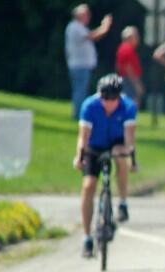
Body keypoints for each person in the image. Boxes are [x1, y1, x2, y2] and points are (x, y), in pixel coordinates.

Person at [73, 74, 137, 258]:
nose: (109, 103)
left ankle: (123, 203)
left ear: (119, 96)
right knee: (88, 186)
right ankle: (87, 238)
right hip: (95, 145)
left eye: (113, 99)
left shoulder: (128, 107)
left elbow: (129, 138)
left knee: (120, 160)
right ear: (99, 95)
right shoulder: (89, 106)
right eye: (105, 98)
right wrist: (79, 156)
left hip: (116, 142)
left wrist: (128, 152)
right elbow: (83, 137)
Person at [65, 4, 112, 120]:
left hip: (80, 65)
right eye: (86, 14)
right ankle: (79, 115)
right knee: (80, 91)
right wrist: (105, 26)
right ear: (80, 15)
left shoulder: (77, 27)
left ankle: (80, 114)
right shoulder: (75, 27)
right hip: (79, 66)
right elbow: (94, 36)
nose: (88, 17)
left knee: (81, 90)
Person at [116, 26, 144, 107]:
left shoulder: (124, 48)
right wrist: (137, 83)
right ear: (130, 38)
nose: (138, 38)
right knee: (131, 102)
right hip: (129, 80)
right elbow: (128, 68)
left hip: (127, 79)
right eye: (136, 36)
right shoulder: (126, 49)